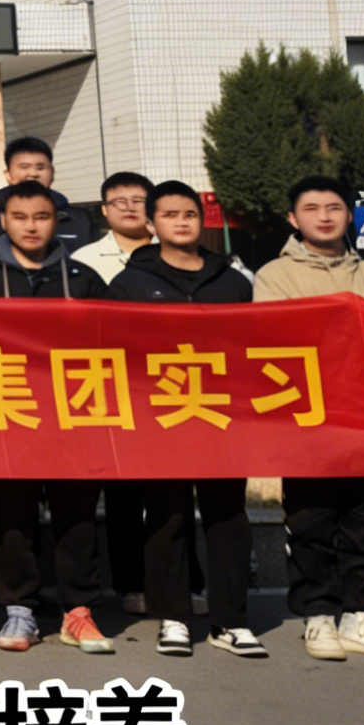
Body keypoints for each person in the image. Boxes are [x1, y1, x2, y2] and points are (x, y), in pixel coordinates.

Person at [255, 175, 364, 663]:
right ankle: (319, 617)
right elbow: (269, 345)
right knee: (311, 520)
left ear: (349, 215)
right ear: (293, 218)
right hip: (308, 418)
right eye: (311, 208)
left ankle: (360, 619)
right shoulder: (275, 276)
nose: (324, 216)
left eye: (333, 208)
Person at [0, 179, 115, 655]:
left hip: (73, 416)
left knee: (77, 517)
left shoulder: (82, 278)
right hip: (8, 414)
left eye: (41, 217)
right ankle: (19, 607)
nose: (31, 226)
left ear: (56, 221)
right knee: (12, 517)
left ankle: (78, 610)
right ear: (4, 221)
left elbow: (112, 341)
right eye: (19, 218)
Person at [110, 184, 265, 659]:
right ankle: (173, 617)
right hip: (159, 418)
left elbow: (255, 347)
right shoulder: (129, 284)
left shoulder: (233, 282)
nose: (181, 222)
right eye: (170, 214)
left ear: (202, 220)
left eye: (190, 214)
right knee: (166, 517)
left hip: (221, 417)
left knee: (228, 518)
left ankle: (231, 621)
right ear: (151, 224)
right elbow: (113, 352)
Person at [0, 137, 87, 255]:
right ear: (8, 174)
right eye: (24, 167)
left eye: (40, 168)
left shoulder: (80, 220)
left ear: (52, 173)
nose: (33, 174)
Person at [73, 172, 157, 285]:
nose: (129, 207)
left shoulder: (173, 252)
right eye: (120, 202)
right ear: (104, 210)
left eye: (138, 201)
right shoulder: (84, 259)